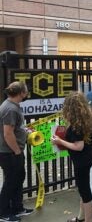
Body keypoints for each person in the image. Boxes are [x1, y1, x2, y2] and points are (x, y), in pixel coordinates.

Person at [51, 92, 92, 222]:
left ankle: (87, 220)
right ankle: (81, 218)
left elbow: (79, 146)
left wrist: (60, 141)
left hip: (82, 160)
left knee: (84, 191)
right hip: (90, 156)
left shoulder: (77, 125)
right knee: (84, 188)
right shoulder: (88, 119)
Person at [0, 81, 34, 222]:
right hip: (10, 152)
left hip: (13, 151)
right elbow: (8, 134)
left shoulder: (12, 106)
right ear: (21, 93)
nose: (27, 93)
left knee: (18, 178)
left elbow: (15, 128)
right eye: (26, 91)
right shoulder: (10, 109)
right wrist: (17, 152)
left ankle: (17, 208)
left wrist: (24, 131)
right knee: (11, 181)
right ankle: (3, 212)